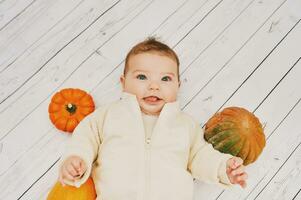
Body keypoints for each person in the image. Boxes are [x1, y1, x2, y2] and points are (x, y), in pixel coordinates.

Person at [58, 37, 248, 200]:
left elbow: (200, 156)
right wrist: (77, 158)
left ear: (178, 85)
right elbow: (85, 138)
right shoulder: (109, 115)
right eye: (142, 77)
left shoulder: (185, 125)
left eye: (165, 79)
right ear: (123, 82)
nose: (154, 86)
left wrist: (223, 168)